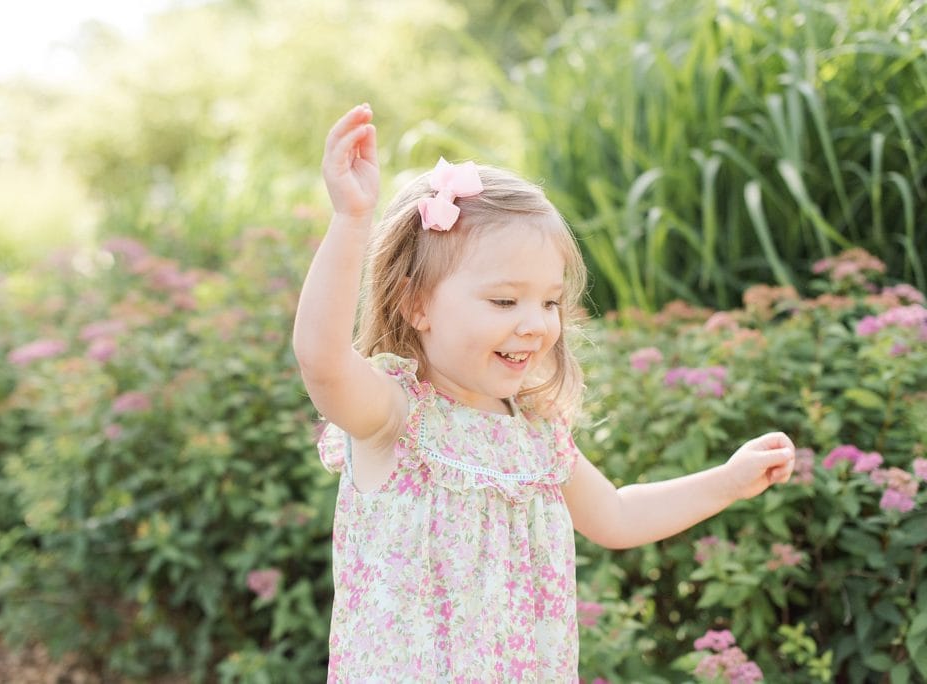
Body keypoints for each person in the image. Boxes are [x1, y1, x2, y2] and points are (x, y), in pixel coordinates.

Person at [293, 103, 796, 682]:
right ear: (417, 304)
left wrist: (728, 481)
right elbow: (323, 361)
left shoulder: (534, 432)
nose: (535, 323)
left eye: (550, 301)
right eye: (505, 301)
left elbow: (617, 516)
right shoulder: (396, 416)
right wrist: (351, 219)